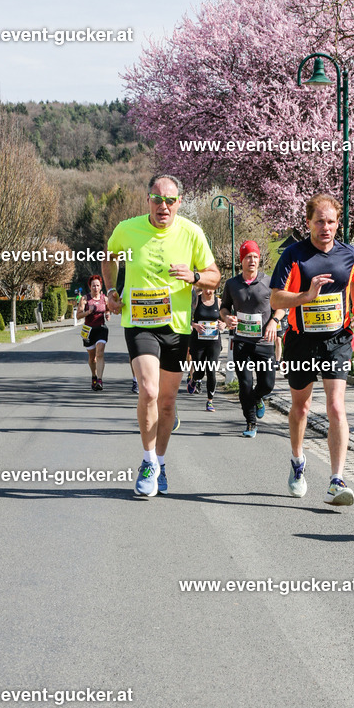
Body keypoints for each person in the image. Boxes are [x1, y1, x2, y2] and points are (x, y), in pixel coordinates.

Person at [103, 175, 220, 497]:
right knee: (149, 390)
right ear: (148, 201)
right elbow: (109, 257)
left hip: (176, 328)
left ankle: (161, 461)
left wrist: (194, 276)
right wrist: (112, 291)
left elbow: (214, 277)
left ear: (179, 202)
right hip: (139, 323)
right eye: (157, 199)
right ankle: (147, 461)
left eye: (170, 200)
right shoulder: (126, 229)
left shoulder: (192, 233)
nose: (163, 206)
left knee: (167, 402)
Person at [270, 193, 354, 506]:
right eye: (319, 221)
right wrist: (305, 297)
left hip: (338, 339)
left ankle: (337, 480)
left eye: (331, 222)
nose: (325, 227)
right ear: (308, 223)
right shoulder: (294, 255)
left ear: (338, 224)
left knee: (336, 406)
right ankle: (298, 460)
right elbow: (275, 298)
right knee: (301, 408)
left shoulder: (350, 254)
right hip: (300, 341)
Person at [220, 241, 284, 437]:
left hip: (264, 342)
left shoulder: (269, 282)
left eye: (255, 257)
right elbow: (224, 308)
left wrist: (274, 321)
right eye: (248, 257)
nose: (252, 260)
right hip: (242, 342)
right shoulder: (231, 284)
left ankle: (257, 398)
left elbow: (281, 307)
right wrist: (226, 318)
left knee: (267, 384)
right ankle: (250, 423)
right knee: (245, 384)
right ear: (242, 260)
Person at [188, 286, 225, 411]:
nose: (208, 291)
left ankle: (210, 401)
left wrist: (223, 324)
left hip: (214, 342)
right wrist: (194, 325)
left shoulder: (219, 302)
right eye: (206, 289)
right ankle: (194, 379)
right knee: (200, 372)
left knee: (211, 370)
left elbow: (226, 319)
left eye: (211, 289)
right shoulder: (196, 300)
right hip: (198, 341)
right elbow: (185, 317)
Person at [76, 274, 110, 390]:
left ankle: (100, 380)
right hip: (89, 330)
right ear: (90, 287)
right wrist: (88, 312)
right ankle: (94, 376)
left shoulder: (104, 298)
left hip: (101, 328)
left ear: (101, 286)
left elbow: (108, 309)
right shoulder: (85, 299)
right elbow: (78, 315)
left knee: (100, 353)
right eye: (93, 286)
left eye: (97, 285)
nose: (95, 288)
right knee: (92, 358)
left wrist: (107, 314)